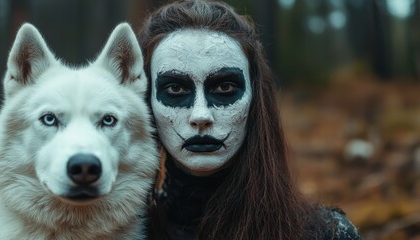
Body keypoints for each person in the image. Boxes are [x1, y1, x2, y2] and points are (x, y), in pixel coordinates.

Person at [138, 0, 362, 239]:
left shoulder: (326, 235)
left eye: (224, 87)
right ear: (146, 100)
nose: (201, 115)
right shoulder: (111, 233)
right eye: (175, 90)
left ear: (255, 99)